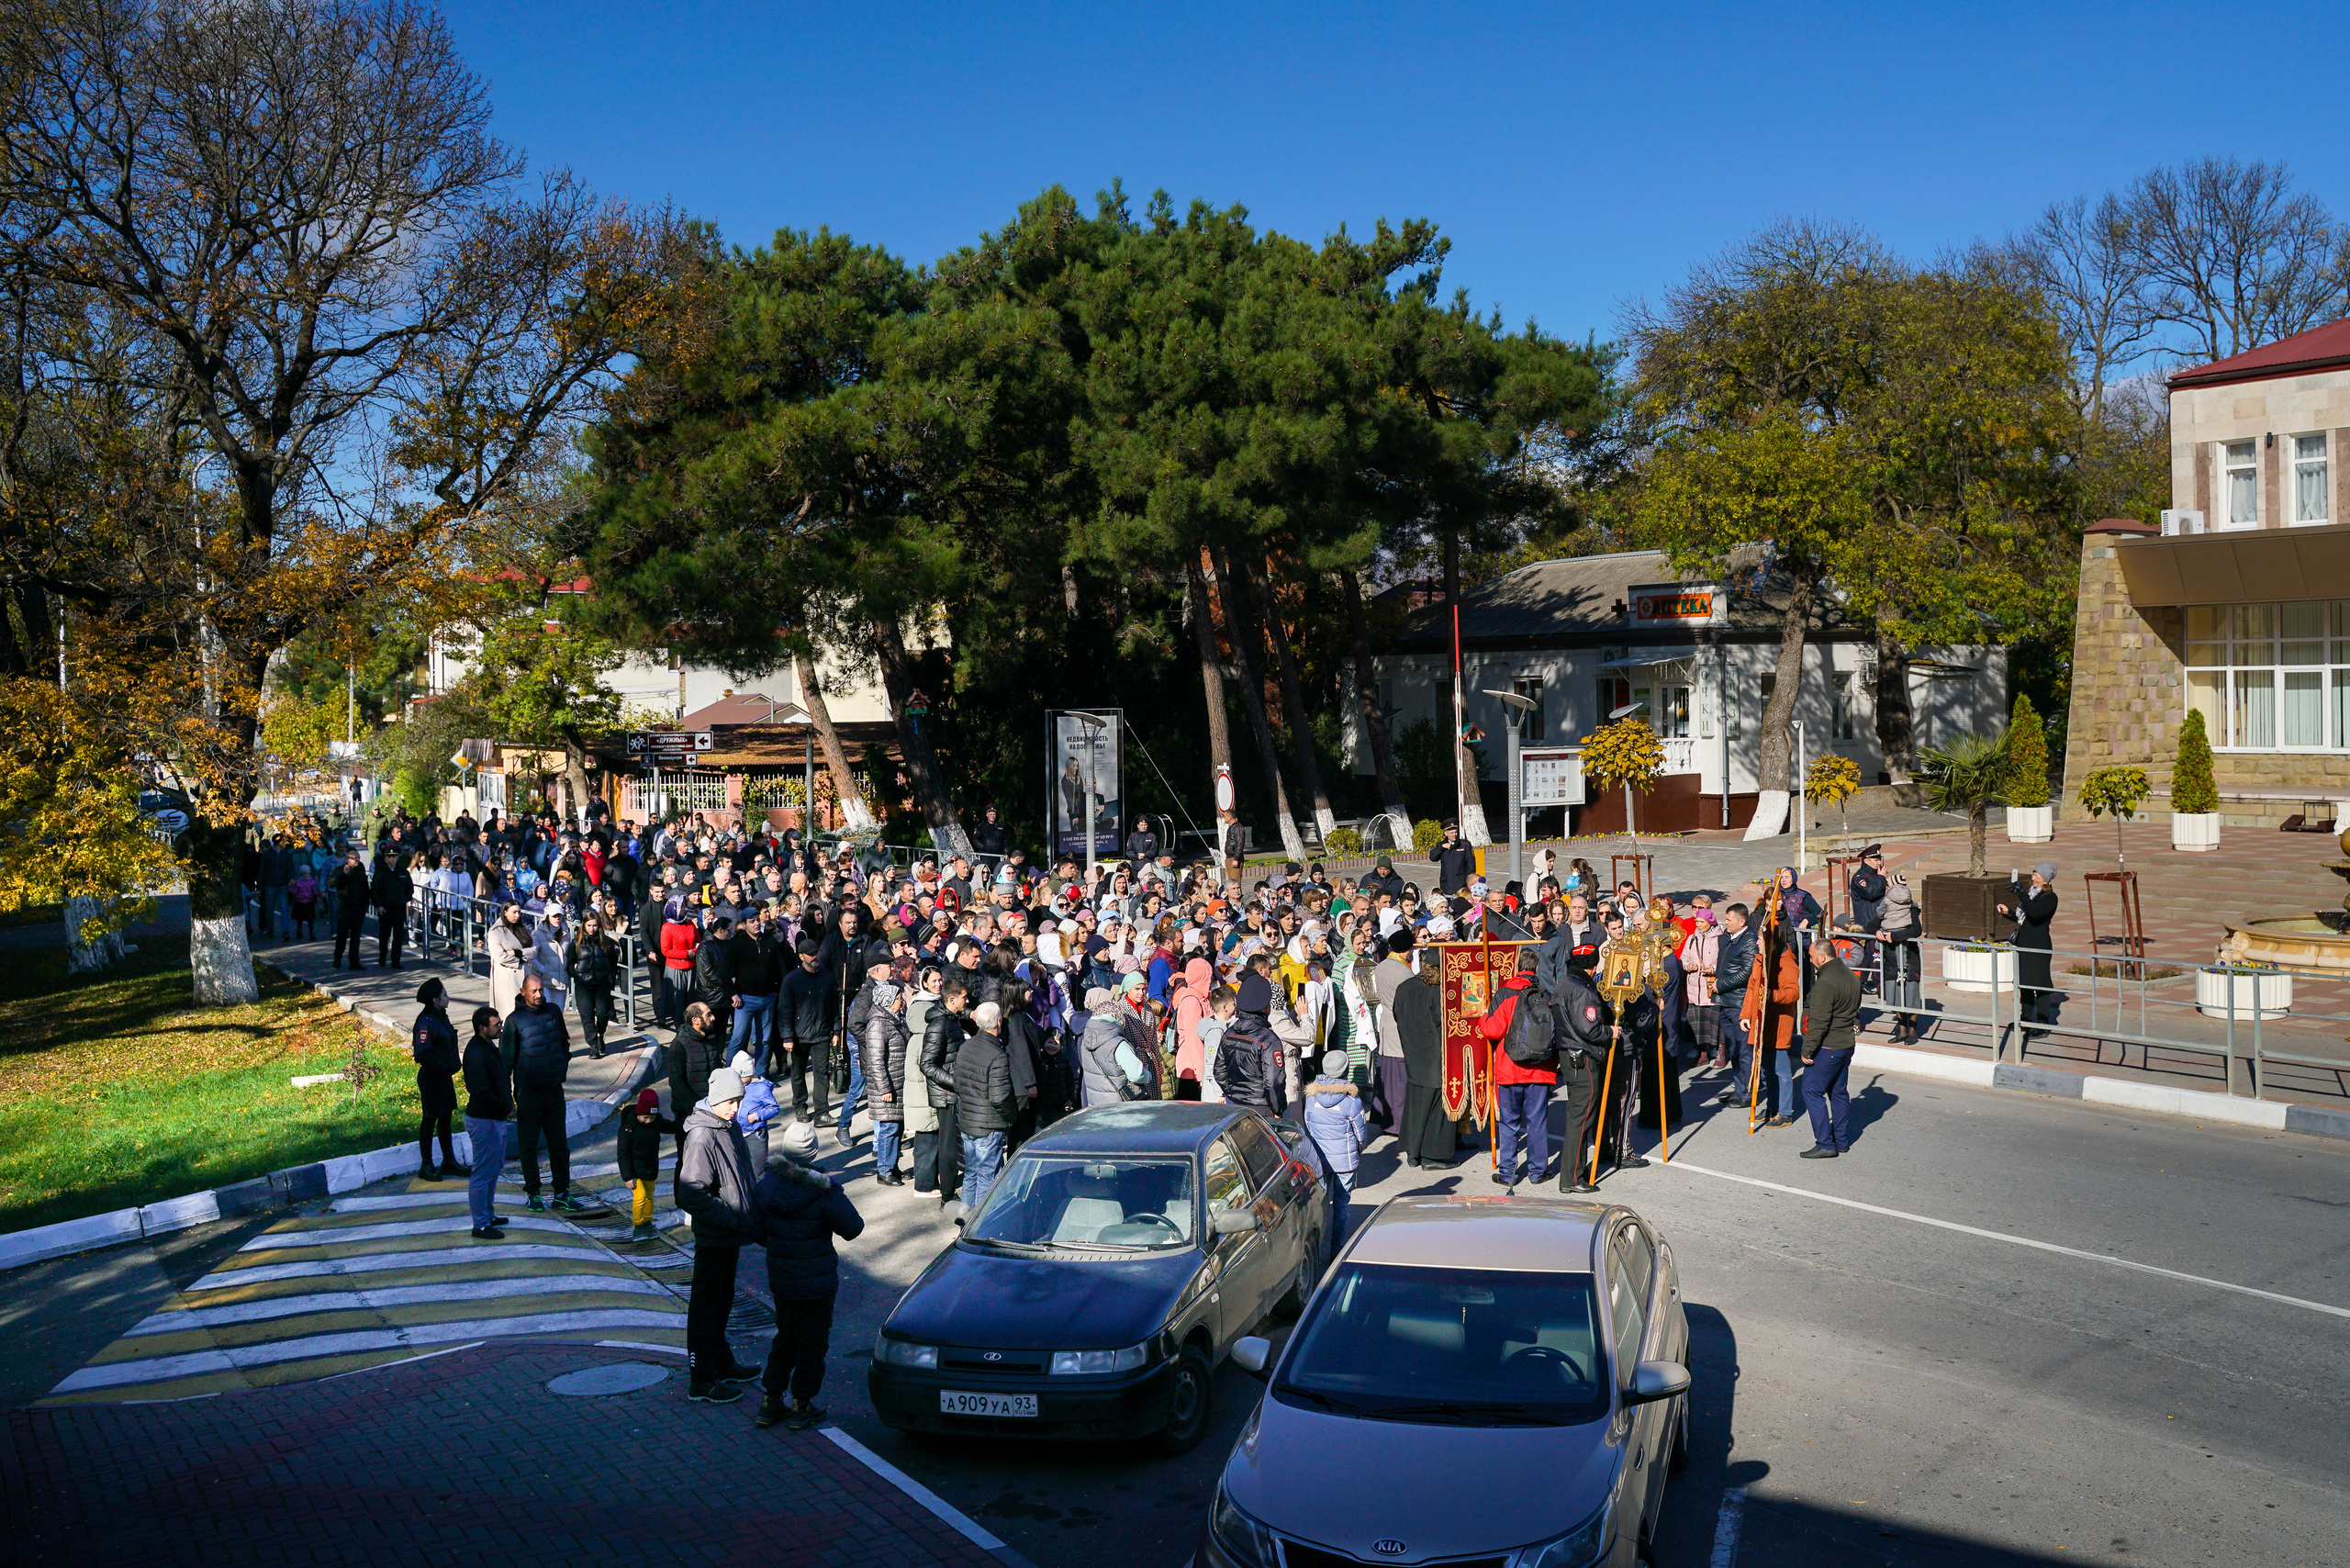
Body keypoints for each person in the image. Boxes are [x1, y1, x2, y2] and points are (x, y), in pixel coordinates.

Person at [753, 1119, 867, 1430]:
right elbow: (853, 1228)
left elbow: (755, 1228)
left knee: (785, 1337)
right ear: (813, 1154)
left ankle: (770, 1400)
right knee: (812, 1343)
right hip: (817, 1281)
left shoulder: (767, 1184)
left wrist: (780, 1245)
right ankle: (801, 1405)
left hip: (782, 1278)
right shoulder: (822, 1191)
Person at [675, 1067, 764, 1402]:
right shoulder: (703, 1135)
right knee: (706, 1308)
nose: (735, 1108)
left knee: (722, 1301)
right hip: (716, 1234)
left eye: (738, 1100)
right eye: (729, 1101)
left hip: (730, 1233)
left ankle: (722, 1364)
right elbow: (690, 1193)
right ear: (714, 1099)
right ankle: (702, 1381)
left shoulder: (728, 1126)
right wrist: (730, 1216)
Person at [499, 973, 587, 1212]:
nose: (539, 995)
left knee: (559, 1144)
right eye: (533, 991)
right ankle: (534, 1193)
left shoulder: (553, 1012)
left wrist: (561, 1066)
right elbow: (505, 1064)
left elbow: (563, 1042)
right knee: (528, 1145)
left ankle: (561, 1192)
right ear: (523, 992)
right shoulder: (514, 1021)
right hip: (528, 1093)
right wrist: (507, 1098)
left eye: (541, 990)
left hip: (553, 1090)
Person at [1478, 948, 1556, 1186]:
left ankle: (1508, 1173)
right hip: (1540, 1070)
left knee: (1510, 1124)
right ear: (1535, 969)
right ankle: (1537, 1172)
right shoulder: (1544, 994)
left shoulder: (1504, 994)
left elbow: (1492, 1030)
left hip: (1510, 1068)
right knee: (1537, 1122)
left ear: (1516, 967)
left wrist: (1483, 1017)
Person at [1550, 941, 1613, 1193]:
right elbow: (1590, 1028)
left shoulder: (1563, 984)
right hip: (1583, 1058)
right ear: (1592, 966)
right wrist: (1611, 1031)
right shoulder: (1582, 990)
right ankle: (1572, 1178)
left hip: (1569, 1055)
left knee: (1578, 1117)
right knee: (1582, 1119)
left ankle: (1576, 1172)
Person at [1389, 944, 1453, 1168]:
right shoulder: (1439, 991)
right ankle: (1430, 1156)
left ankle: (1413, 1152)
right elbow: (1446, 1023)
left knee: (1417, 1103)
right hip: (1434, 1054)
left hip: (1412, 1051)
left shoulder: (1406, 986)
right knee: (1435, 1107)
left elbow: (1397, 1013)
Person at [1798, 942, 1863, 1158]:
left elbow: (1819, 1021)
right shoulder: (1851, 977)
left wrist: (1807, 1050)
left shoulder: (1825, 983)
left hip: (1828, 1046)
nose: (1809, 959)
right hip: (1846, 1044)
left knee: (1811, 1091)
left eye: (1811, 956)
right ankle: (1841, 1141)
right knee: (1838, 1092)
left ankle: (1826, 1143)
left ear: (1822, 958)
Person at [956, 1001, 1020, 1213]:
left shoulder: (966, 1046)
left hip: (967, 1122)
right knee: (987, 1176)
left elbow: (958, 1083)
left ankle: (965, 1220)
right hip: (988, 1126)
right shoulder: (997, 1055)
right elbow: (1000, 1098)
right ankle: (980, 1224)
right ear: (999, 1022)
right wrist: (1011, 1117)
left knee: (971, 1173)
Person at [1303, 1048, 1365, 1249]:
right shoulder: (1351, 1100)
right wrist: (1357, 1151)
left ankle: (1316, 1249)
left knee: (1320, 1204)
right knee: (1341, 1206)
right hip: (1344, 1162)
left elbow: (1308, 1125)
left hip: (1320, 1160)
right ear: (1345, 1070)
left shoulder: (1312, 1097)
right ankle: (1337, 1251)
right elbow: (1361, 1133)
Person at [920, 975, 974, 1204]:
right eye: (964, 997)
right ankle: (948, 1195)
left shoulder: (951, 1019)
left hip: (953, 1093)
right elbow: (926, 1064)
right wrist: (956, 1083)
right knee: (949, 1146)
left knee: (953, 1145)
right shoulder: (939, 1025)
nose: (967, 1000)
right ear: (951, 1000)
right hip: (946, 1096)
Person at [460, 1004, 511, 1238]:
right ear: (482, 1028)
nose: (500, 1027)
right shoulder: (476, 1053)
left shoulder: (485, 1045)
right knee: (482, 1173)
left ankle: (488, 1216)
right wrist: (503, 1107)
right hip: (484, 1121)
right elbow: (480, 1091)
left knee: (492, 1170)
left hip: (493, 1119)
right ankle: (480, 1224)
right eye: (496, 1024)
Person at [1998, 862, 2060, 1049]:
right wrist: (2008, 912)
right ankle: (2025, 1019)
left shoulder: (2050, 897)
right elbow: (2023, 918)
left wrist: (2022, 894)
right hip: (2024, 944)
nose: (2033, 878)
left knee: (2040, 984)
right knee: (2024, 982)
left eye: (2037, 876)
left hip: (2038, 946)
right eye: (2033, 874)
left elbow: (2034, 914)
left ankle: (2042, 1023)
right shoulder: (2032, 894)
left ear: (2046, 879)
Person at [410, 978, 466, 1182]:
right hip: (432, 1078)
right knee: (430, 1119)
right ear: (435, 1000)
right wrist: (445, 1066)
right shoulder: (426, 1022)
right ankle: (426, 1165)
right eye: (444, 995)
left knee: (445, 1119)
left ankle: (449, 1160)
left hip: (443, 1077)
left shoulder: (441, 1017)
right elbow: (422, 1054)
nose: (448, 998)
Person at [860, 977, 912, 1183]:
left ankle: (892, 1166)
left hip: (898, 1082)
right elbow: (875, 1060)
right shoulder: (878, 1024)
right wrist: (884, 1088)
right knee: (889, 1129)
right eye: (899, 998)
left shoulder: (893, 1019)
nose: (902, 1001)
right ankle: (884, 1171)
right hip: (888, 1086)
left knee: (897, 1128)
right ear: (888, 1001)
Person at [1366, 930, 1417, 1131]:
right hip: (1400, 1024)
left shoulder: (1382, 966)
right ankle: (1397, 1124)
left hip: (1386, 1022)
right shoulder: (1403, 972)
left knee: (1386, 1072)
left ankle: (1383, 1118)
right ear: (1408, 949)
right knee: (1398, 1075)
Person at [1214, 973, 1284, 1113]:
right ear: (1265, 1008)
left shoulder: (1229, 1034)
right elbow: (1273, 1081)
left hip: (1234, 1106)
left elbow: (1219, 1071)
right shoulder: (1268, 1040)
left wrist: (1234, 1093)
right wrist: (1277, 1109)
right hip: (1262, 1108)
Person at [617, 1087, 679, 1241]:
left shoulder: (655, 1122)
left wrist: (686, 1125)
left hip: (650, 1168)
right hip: (634, 1171)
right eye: (645, 1117)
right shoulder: (628, 1128)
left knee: (650, 1196)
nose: (649, 1121)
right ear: (638, 1112)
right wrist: (627, 1177)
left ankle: (647, 1222)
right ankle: (638, 1226)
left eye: (652, 1117)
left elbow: (670, 1127)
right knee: (640, 1197)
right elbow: (623, 1154)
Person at [567, 911, 621, 1058]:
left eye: (595, 925)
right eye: (589, 925)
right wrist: (576, 975)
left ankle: (600, 1034)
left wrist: (609, 976)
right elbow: (570, 962)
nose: (592, 928)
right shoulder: (576, 942)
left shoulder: (606, 942)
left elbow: (613, 960)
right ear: (584, 925)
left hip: (602, 984)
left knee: (603, 1014)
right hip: (583, 985)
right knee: (587, 1016)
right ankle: (593, 1045)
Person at [1878, 875, 1924, 1042]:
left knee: (1910, 996)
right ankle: (1902, 1030)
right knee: (1896, 996)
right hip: (1891, 958)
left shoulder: (1911, 908)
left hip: (1909, 959)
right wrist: (1877, 931)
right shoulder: (1886, 908)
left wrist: (1895, 936)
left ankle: (1912, 1032)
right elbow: (1872, 925)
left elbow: (1916, 930)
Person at [731, 1050, 783, 1177]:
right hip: (739, 1132)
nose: (737, 1080)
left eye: (739, 1076)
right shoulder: (741, 1085)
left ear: (748, 1072)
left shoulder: (761, 1088)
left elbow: (774, 1108)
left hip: (755, 1134)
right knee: (741, 1168)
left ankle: (758, 1193)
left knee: (757, 1170)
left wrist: (755, 1116)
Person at [487, 902, 532, 1021]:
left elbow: (534, 951)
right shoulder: (495, 932)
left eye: (519, 912)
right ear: (505, 912)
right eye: (514, 912)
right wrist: (521, 959)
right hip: (506, 978)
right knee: (509, 1012)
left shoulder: (522, 929)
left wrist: (518, 953)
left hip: (524, 975)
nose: (517, 915)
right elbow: (501, 957)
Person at [371, 849, 412, 969]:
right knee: (384, 935)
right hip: (385, 909)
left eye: (394, 856)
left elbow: (409, 888)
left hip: (399, 908)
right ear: (385, 858)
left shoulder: (403, 872)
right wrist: (378, 906)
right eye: (389, 856)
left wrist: (404, 899)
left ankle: (396, 961)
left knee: (398, 936)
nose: (392, 859)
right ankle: (382, 958)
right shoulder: (380, 873)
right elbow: (374, 891)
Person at [330, 847, 371, 969]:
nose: (358, 860)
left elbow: (364, 885)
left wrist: (366, 902)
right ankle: (338, 958)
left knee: (356, 935)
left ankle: (354, 961)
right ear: (348, 859)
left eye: (359, 858)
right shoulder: (340, 869)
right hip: (345, 907)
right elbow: (332, 883)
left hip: (358, 907)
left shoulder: (360, 869)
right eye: (355, 858)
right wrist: (344, 874)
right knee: (342, 935)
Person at [1427, 820, 1475, 896]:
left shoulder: (1465, 845)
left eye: (1456, 832)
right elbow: (1433, 857)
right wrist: (1442, 847)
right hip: (1446, 885)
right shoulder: (1441, 845)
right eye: (1452, 833)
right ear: (1446, 833)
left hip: (1461, 885)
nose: (1454, 835)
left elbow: (1471, 866)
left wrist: (1468, 882)